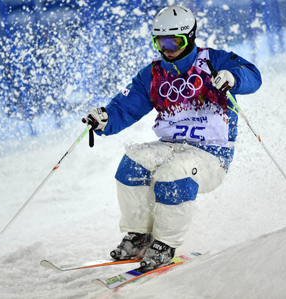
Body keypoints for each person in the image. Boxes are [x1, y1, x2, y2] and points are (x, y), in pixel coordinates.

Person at [83, 5, 262, 270]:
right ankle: (139, 236)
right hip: (171, 144)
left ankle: (164, 245)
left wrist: (233, 78)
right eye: (160, 42)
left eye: (174, 41)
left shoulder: (215, 60)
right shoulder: (152, 75)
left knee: (172, 173)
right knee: (133, 161)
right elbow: (125, 107)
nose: (167, 49)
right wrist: (106, 118)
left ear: (190, 37)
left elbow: (253, 76)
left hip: (212, 154)